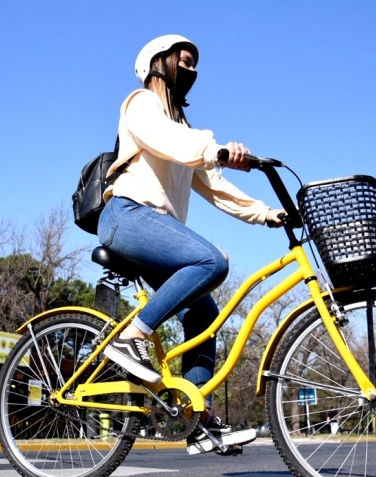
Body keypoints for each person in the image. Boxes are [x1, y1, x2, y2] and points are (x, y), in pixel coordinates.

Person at [98, 34, 285, 455]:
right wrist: (213, 148)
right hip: (126, 217)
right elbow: (171, 141)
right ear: (160, 63)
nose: (193, 71)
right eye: (185, 61)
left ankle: (195, 418)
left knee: (203, 311)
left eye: (195, 65)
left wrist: (266, 212)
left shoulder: (182, 131)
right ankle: (132, 338)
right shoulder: (140, 104)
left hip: (154, 230)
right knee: (212, 262)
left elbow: (215, 187)